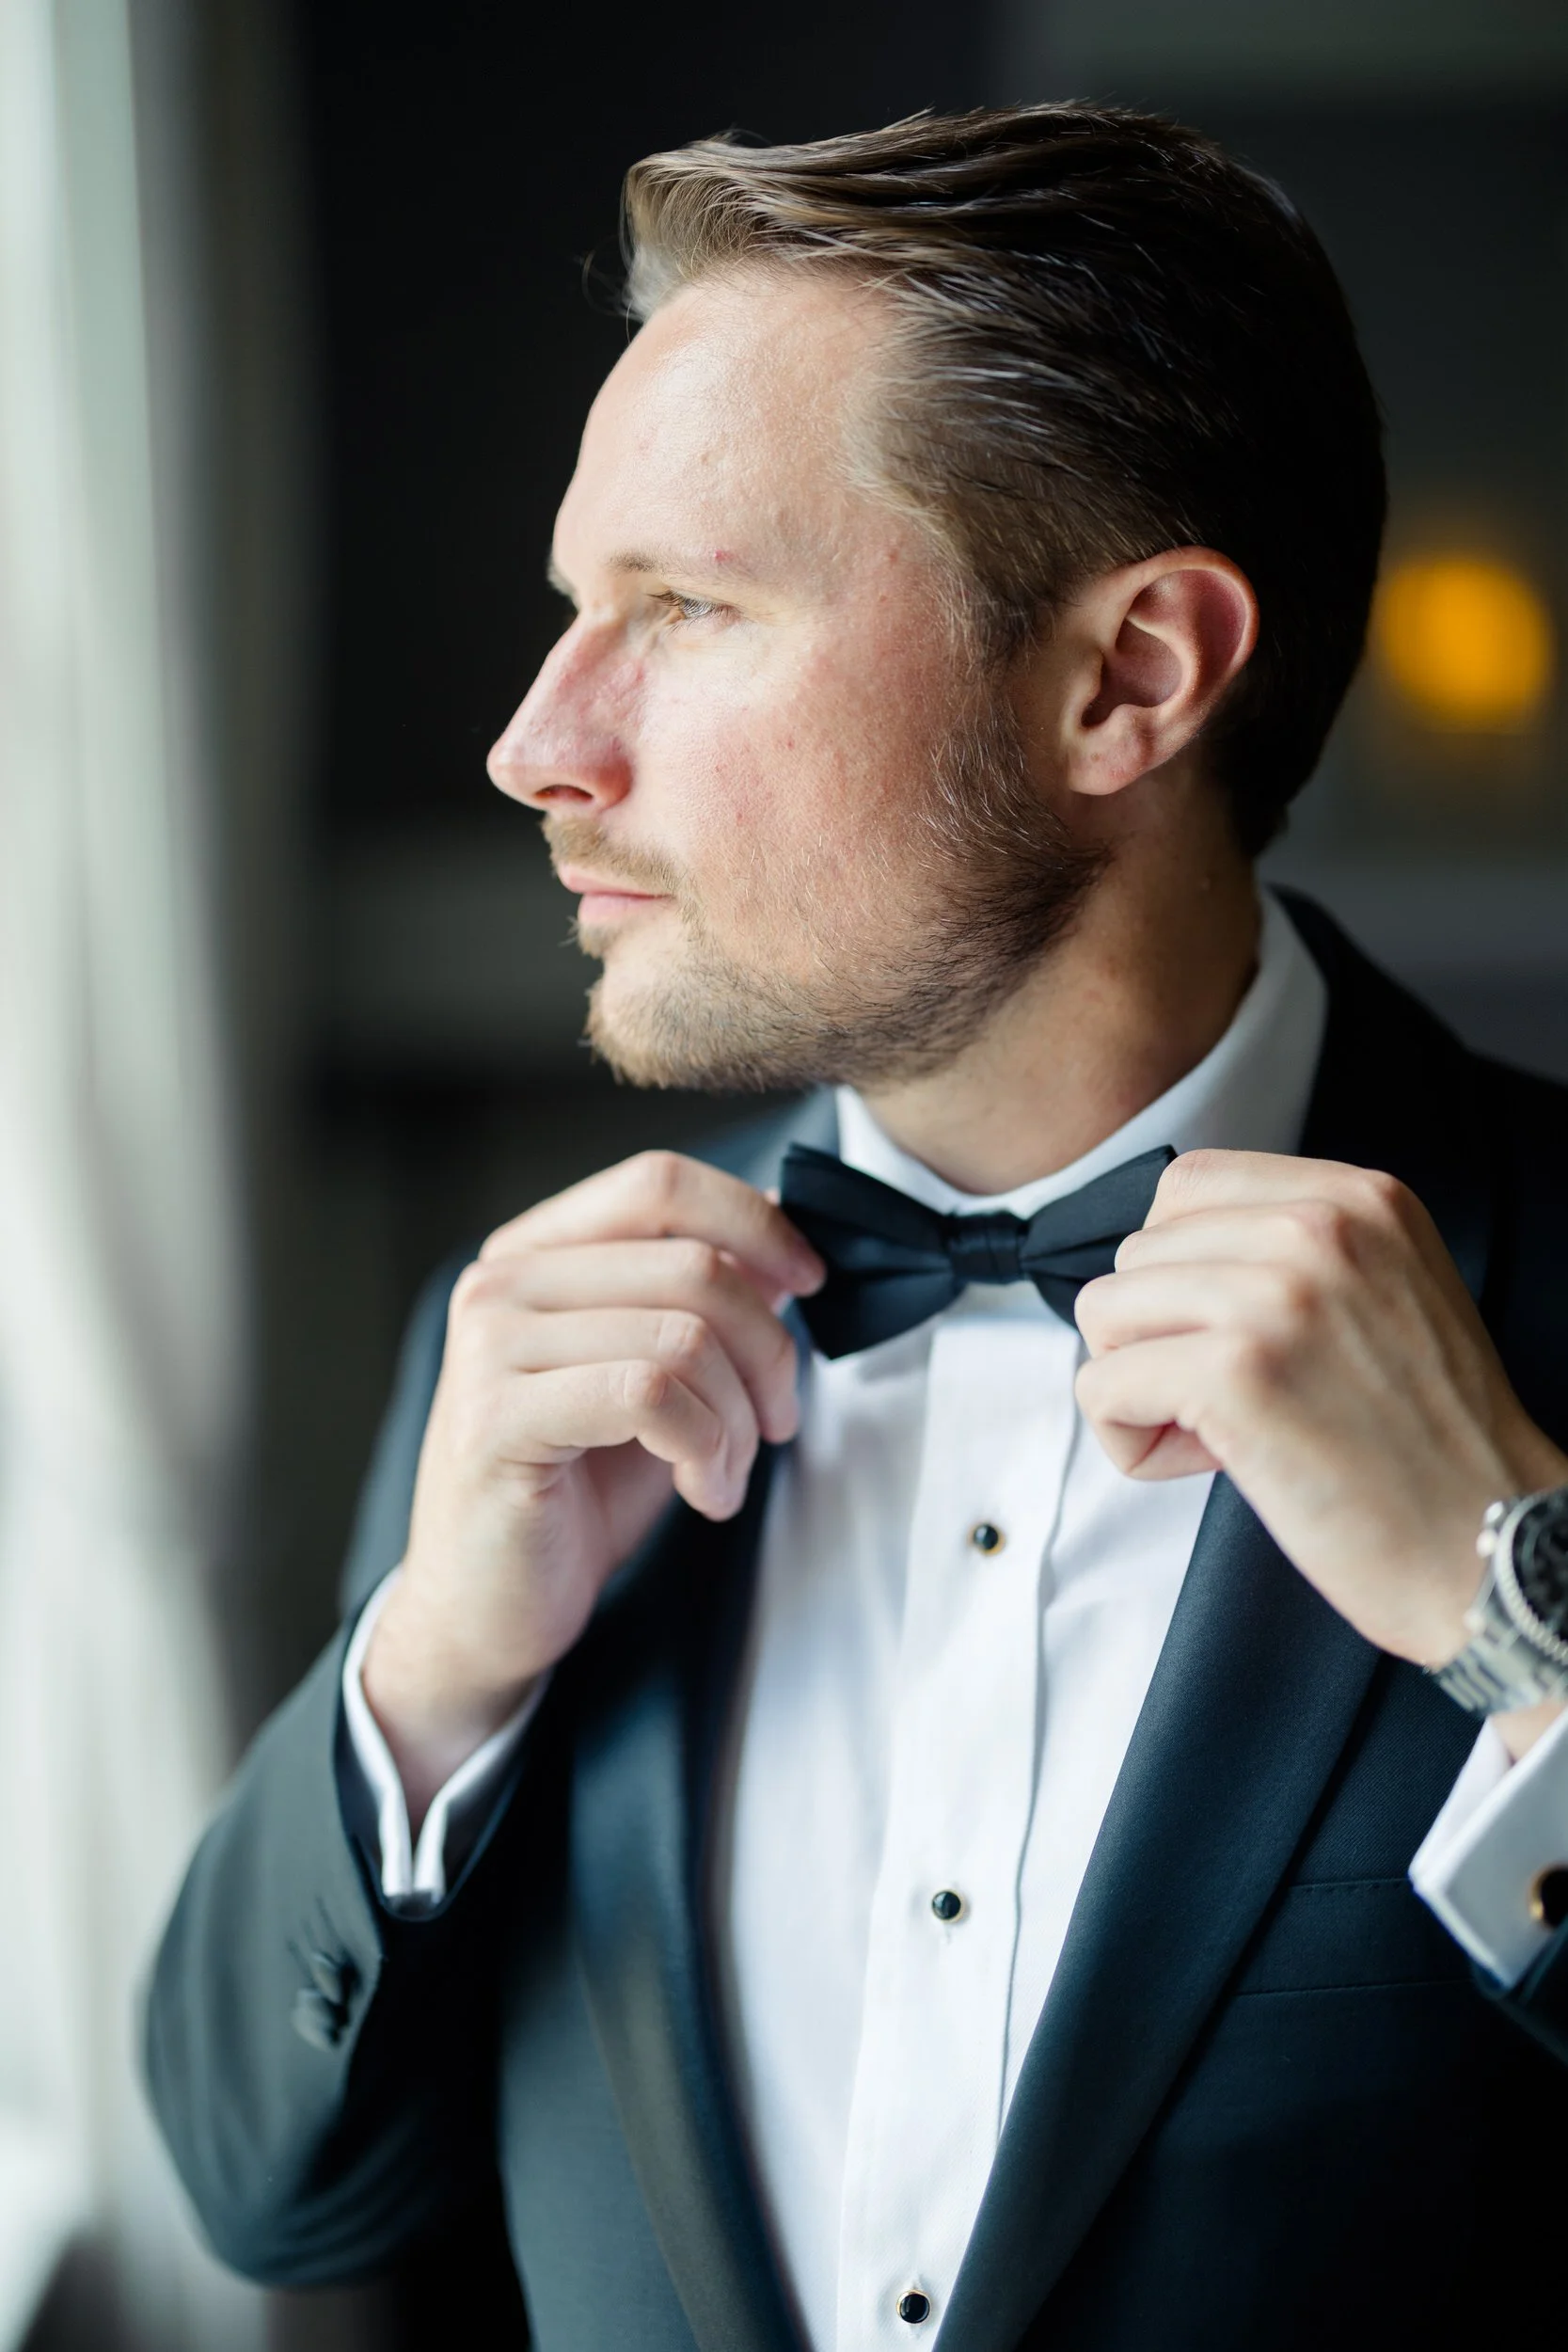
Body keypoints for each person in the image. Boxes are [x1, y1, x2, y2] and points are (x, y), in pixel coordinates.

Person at [148, 106, 1568, 2352]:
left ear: (1128, 679)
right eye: (569, 610)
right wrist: (427, 1675)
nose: (538, 741)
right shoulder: (521, 1353)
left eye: (687, 611)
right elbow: (265, 2182)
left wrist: (1523, 1621)